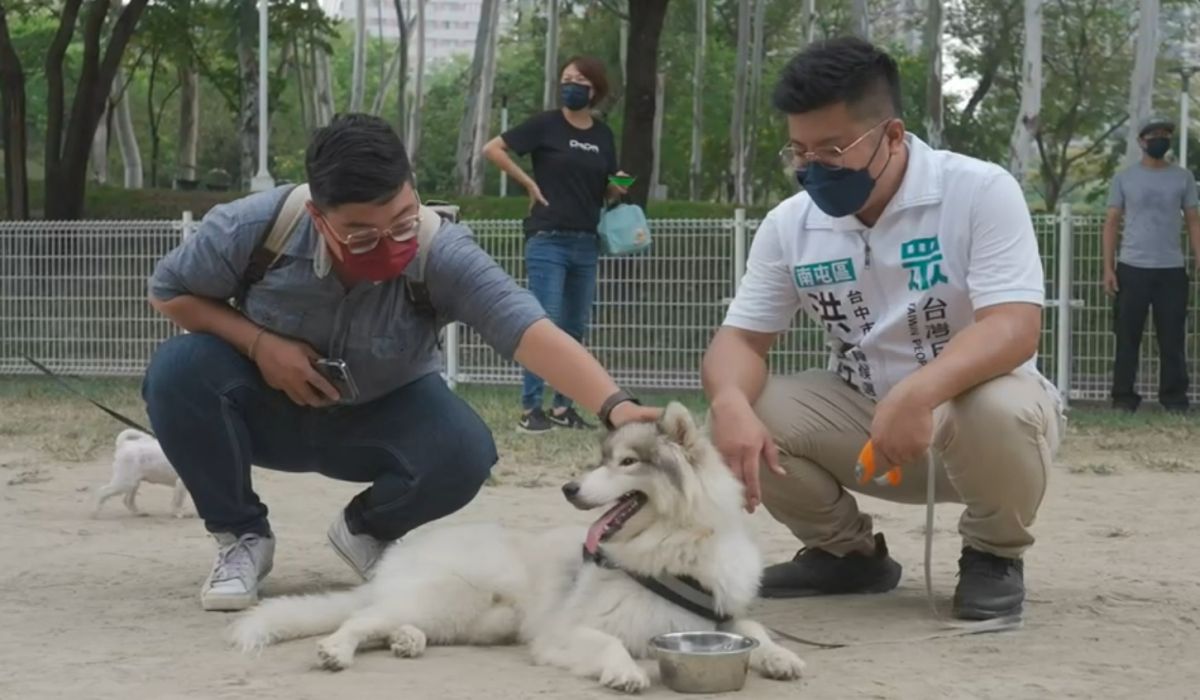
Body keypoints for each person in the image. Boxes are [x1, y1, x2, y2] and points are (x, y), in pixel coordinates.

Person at [142, 113, 658, 612]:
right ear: (319, 218)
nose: (389, 242)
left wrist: (617, 407)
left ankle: (367, 529)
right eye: (362, 234)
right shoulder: (255, 227)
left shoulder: (441, 250)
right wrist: (259, 345)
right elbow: (169, 293)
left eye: (402, 221)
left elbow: (526, 328)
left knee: (465, 449)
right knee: (178, 371)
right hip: (268, 411)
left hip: (380, 418)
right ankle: (242, 537)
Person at [700, 37, 1065, 622]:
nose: (811, 168)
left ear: (892, 136)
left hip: (974, 427)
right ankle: (846, 554)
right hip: (867, 428)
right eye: (798, 151)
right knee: (745, 405)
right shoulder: (790, 225)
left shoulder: (978, 190)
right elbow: (739, 341)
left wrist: (920, 391)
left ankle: (994, 554)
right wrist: (727, 402)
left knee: (997, 406)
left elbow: (1015, 327)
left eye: (832, 149)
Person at [482, 55, 630, 434]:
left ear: (594, 89)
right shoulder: (545, 125)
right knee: (541, 325)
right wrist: (528, 184)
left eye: (579, 79)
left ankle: (563, 407)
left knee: (574, 327)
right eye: (565, 78)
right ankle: (531, 408)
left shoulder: (602, 135)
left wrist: (620, 186)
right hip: (548, 238)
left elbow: (607, 188)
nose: (571, 85)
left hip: (586, 240)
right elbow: (492, 149)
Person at [1102, 116, 1200, 414]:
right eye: (1154, 134)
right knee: (1127, 336)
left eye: (1165, 134)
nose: (1160, 138)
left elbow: (1194, 221)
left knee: (1171, 338)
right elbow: (1111, 222)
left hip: (1171, 269)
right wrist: (1108, 267)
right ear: (1141, 141)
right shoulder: (1124, 178)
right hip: (1132, 268)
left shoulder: (1182, 178)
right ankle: (1123, 398)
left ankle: (1174, 400)